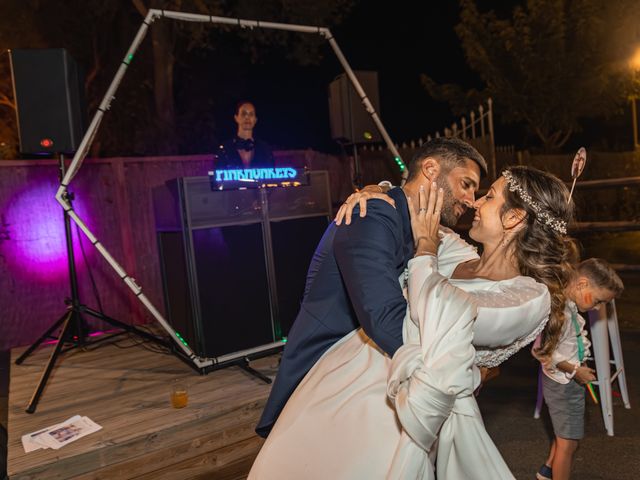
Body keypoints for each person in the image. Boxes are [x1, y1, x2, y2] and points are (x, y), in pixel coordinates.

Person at [249, 166, 576, 479]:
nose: (475, 202)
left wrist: (424, 250)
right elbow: (411, 213)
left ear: (515, 217)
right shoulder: (458, 254)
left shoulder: (530, 297)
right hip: (336, 380)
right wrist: (376, 192)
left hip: (392, 413)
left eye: (489, 196)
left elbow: (445, 316)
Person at [255, 137, 488, 438]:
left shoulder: (417, 224)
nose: (470, 199)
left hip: (363, 376)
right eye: (466, 184)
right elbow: (385, 317)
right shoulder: (372, 215)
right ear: (431, 169)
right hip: (320, 380)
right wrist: (455, 368)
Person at [535, 258, 624, 480]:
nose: (597, 307)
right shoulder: (560, 313)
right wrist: (576, 371)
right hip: (562, 384)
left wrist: (580, 360)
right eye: (598, 301)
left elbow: (575, 337)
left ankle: (547, 470)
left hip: (568, 381)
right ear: (582, 284)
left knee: (567, 435)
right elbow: (548, 354)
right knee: (568, 444)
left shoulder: (571, 306)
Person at [214, 100, 275, 170]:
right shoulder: (224, 149)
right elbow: (217, 176)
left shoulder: (265, 149)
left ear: (255, 120)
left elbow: (272, 177)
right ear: (236, 118)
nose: (247, 117)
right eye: (243, 114)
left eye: (251, 114)